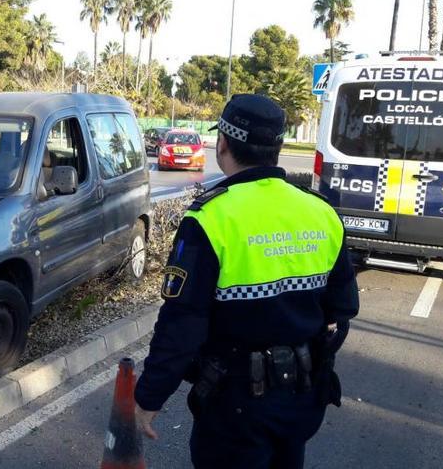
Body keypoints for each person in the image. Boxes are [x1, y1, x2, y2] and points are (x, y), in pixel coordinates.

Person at [134, 94, 360, 469]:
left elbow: (183, 325)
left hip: (235, 406)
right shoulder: (320, 212)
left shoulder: (212, 218)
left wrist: (149, 398)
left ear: (223, 143)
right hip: (300, 400)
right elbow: (343, 309)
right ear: (277, 148)